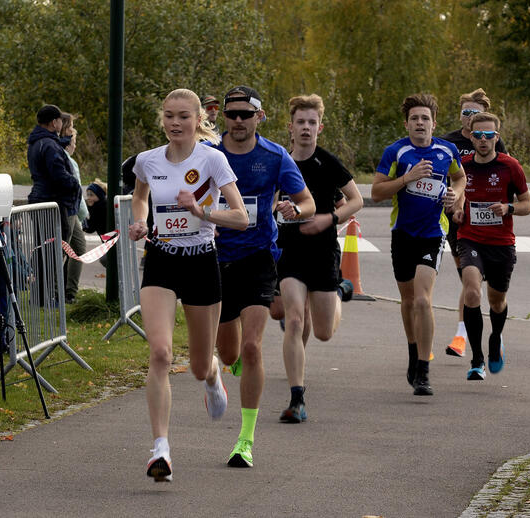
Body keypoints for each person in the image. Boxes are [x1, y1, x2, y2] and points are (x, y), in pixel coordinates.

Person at [127, 88, 248, 482]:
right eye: (168, 116)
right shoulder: (147, 161)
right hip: (161, 259)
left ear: (198, 120)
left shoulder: (212, 159)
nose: (175, 123)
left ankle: (213, 375)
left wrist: (201, 210)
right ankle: (160, 448)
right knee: (160, 353)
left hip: (200, 262)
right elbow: (140, 197)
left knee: (197, 366)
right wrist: (141, 220)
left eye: (183, 116)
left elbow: (241, 217)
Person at [211, 85, 315, 467]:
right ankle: (232, 366)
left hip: (258, 258)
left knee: (253, 347)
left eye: (245, 114)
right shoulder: (208, 153)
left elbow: (309, 202)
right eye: (231, 114)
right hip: (215, 258)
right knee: (229, 352)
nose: (238, 121)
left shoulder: (274, 155)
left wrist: (295, 211)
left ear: (260, 116)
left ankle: (245, 441)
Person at [371, 93, 465, 396]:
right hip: (402, 234)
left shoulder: (446, 150)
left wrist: (456, 196)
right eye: (415, 118)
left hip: (433, 233)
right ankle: (413, 351)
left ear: (434, 123)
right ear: (407, 123)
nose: (420, 123)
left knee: (424, 300)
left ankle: (424, 369)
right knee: (408, 302)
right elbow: (376, 192)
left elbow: (459, 177)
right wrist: (406, 178)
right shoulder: (396, 152)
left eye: (425, 118)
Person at [277, 94, 363, 423]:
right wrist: (278, 209)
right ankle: (296, 399)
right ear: (291, 127)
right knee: (295, 321)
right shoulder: (280, 161)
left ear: (320, 127)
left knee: (324, 331)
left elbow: (356, 201)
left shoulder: (328, 163)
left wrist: (330, 218)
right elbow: (268, 201)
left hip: (323, 250)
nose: (306, 128)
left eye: (312, 123)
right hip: (289, 250)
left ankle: (340, 291)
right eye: (301, 122)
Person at [451, 112, 530, 381]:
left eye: (489, 136)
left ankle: (495, 338)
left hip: (501, 244)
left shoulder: (510, 167)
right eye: (478, 135)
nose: (483, 140)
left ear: (497, 137)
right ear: (471, 136)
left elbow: (527, 205)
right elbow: (453, 199)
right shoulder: (461, 167)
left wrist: (508, 208)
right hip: (470, 239)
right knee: (472, 292)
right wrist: (456, 211)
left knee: (496, 302)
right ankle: (477, 360)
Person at [441, 88, 508, 358]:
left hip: (490, 221)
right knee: (469, 282)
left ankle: (493, 336)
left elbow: (506, 176)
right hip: (458, 218)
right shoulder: (448, 142)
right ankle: (461, 335)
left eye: (475, 112)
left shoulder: (492, 140)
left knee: (487, 287)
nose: (469, 117)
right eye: (465, 111)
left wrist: (505, 207)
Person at [27, 104, 82, 243]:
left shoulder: (35, 143)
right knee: (55, 248)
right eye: (60, 120)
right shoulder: (50, 145)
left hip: (39, 199)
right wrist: (74, 183)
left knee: (43, 248)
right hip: (52, 201)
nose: (61, 123)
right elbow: (59, 175)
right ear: (54, 122)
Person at [59, 113, 87, 304]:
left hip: (70, 209)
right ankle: (68, 292)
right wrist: (85, 213)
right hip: (71, 210)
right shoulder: (68, 160)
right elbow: (76, 189)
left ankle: (66, 290)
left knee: (74, 247)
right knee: (70, 248)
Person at [83, 179, 108, 267]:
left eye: (92, 195)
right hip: (108, 241)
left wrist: (83, 222)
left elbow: (91, 228)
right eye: (88, 194)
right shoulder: (100, 205)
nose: (89, 197)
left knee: (105, 260)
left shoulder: (100, 208)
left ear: (99, 195)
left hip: (112, 242)